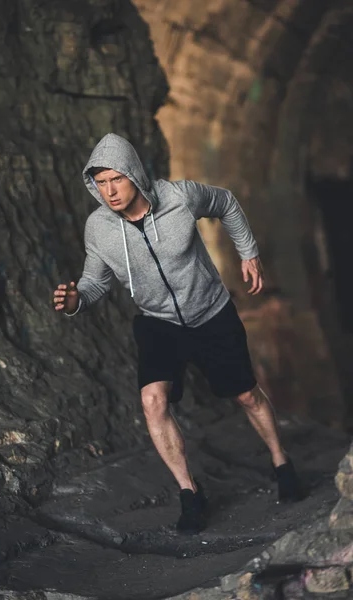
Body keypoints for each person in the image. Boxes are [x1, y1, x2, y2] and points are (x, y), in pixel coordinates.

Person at [53, 133, 303, 534]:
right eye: (101, 183)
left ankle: (280, 460)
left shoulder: (179, 197)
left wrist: (248, 252)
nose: (110, 191)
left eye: (116, 179)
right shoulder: (98, 228)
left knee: (246, 394)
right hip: (158, 322)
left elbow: (226, 203)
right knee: (153, 401)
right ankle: (189, 493)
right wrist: (75, 300)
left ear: (133, 173)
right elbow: (94, 283)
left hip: (211, 311)